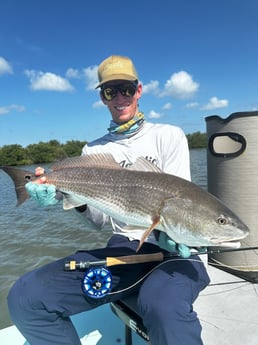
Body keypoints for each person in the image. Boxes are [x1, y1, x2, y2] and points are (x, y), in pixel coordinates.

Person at [7, 55, 210, 345]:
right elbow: (100, 221)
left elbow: (185, 201)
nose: (120, 97)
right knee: (25, 297)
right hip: (124, 251)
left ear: (138, 90)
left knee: (163, 307)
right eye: (110, 91)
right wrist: (69, 196)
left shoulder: (169, 136)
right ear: (102, 97)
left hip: (174, 254)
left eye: (125, 88)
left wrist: (181, 236)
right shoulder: (93, 150)